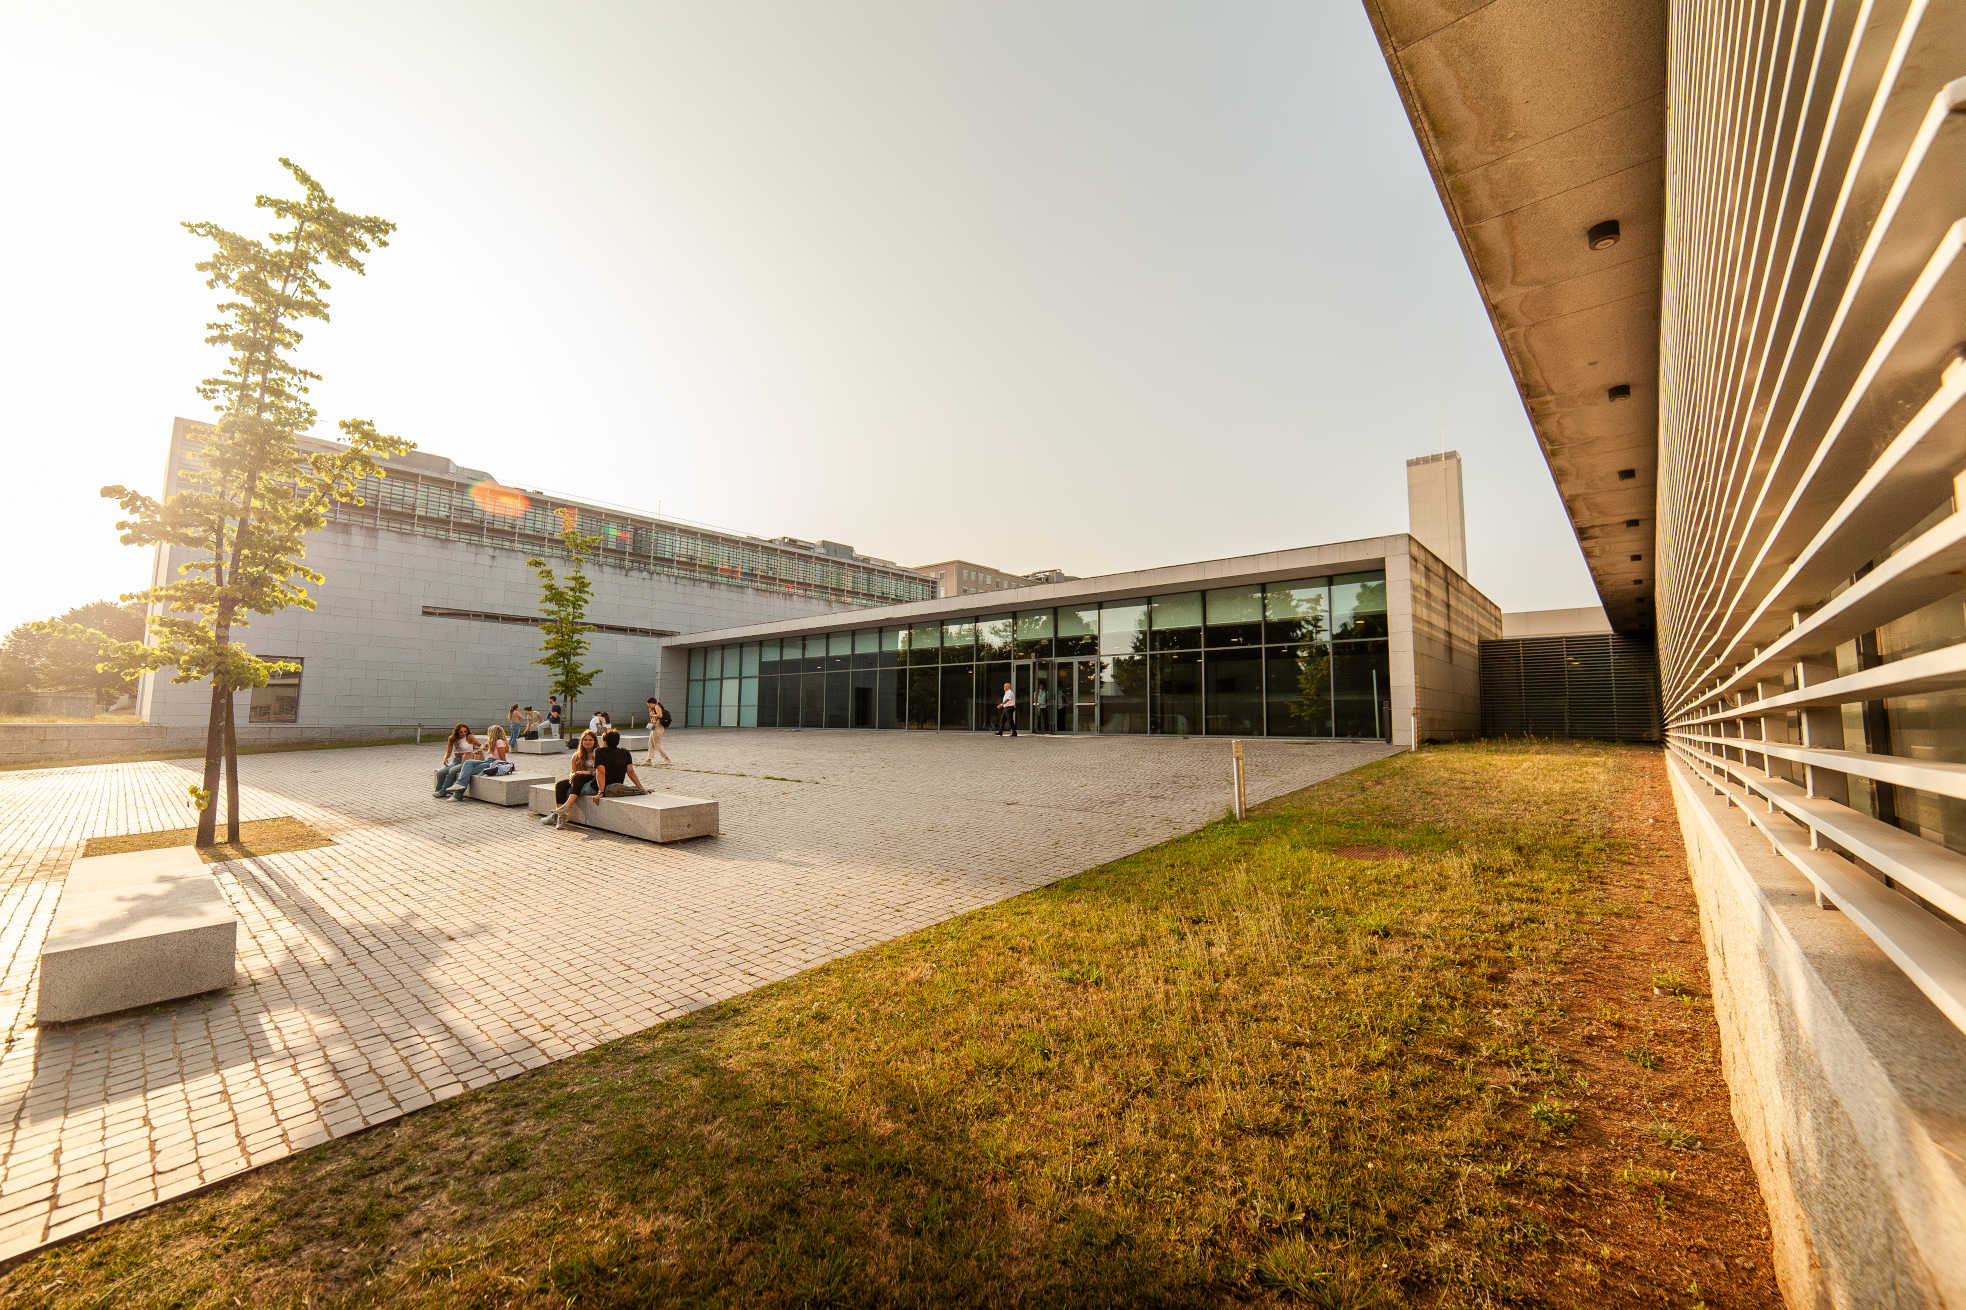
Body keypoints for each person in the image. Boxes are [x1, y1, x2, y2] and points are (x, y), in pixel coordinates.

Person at [543, 730, 602, 828]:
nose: (587, 742)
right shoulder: (576, 755)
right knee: (560, 784)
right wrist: (572, 775)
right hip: (579, 779)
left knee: (579, 776)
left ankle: (563, 809)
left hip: (594, 779)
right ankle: (561, 816)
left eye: (590, 740)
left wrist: (584, 772)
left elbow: (600, 771)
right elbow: (573, 771)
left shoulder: (599, 753)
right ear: (582, 742)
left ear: (595, 741)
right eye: (585, 740)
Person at [446, 724, 510, 798]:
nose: (488, 734)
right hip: (489, 761)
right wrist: (480, 749)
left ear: (493, 733)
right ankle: (459, 786)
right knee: (468, 762)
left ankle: (457, 795)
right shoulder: (493, 741)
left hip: (493, 763)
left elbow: (502, 758)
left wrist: (506, 767)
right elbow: (483, 746)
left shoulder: (499, 742)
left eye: (489, 732)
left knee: (468, 772)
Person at [435, 722, 483, 798]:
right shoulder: (452, 738)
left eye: (465, 731)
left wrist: (477, 752)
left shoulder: (469, 737)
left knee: (452, 771)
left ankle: (443, 791)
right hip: (456, 760)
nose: (463, 733)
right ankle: (438, 790)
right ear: (457, 732)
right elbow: (448, 751)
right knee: (440, 772)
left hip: (466, 761)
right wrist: (445, 758)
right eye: (461, 732)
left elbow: (481, 745)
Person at [594, 729, 646, 797]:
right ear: (618, 741)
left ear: (604, 741)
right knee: (617, 788)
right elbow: (630, 772)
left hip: (607, 788)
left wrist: (601, 792)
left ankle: (639, 790)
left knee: (614, 789)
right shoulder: (625, 752)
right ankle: (639, 790)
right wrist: (641, 787)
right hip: (617, 786)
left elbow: (601, 772)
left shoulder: (599, 751)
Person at [644, 696, 672, 765]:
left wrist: (653, 715)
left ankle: (666, 758)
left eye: (649, 704)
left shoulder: (657, 706)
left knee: (657, 743)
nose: (648, 706)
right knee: (650, 742)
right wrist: (651, 716)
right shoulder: (653, 708)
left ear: (652, 703)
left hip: (659, 726)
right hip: (655, 725)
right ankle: (649, 759)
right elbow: (653, 718)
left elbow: (660, 715)